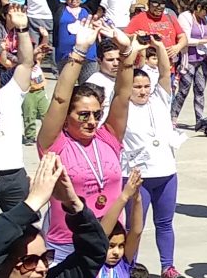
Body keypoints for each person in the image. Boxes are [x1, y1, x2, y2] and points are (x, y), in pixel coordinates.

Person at [36, 19, 135, 264]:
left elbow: (123, 96)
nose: (92, 121)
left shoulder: (107, 136)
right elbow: (60, 98)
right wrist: (80, 51)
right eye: (83, 115)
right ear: (66, 116)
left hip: (111, 243)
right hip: (68, 246)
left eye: (96, 114)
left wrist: (126, 52)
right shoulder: (55, 144)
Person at [123, 39, 185, 278]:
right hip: (138, 176)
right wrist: (132, 51)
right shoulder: (121, 107)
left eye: (146, 86)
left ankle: (168, 267)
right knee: (134, 227)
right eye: (137, 87)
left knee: (165, 222)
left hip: (166, 173)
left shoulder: (160, 98)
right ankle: (129, 268)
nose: (143, 91)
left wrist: (159, 46)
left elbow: (165, 72)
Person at [172, 0, 207, 129]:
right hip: (189, 59)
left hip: (202, 58)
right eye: (206, 11)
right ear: (198, 7)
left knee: (200, 90)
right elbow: (185, 39)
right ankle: (173, 118)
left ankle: (199, 120)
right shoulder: (185, 17)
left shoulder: (204, 20)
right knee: (183, 90)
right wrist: (205, 41)